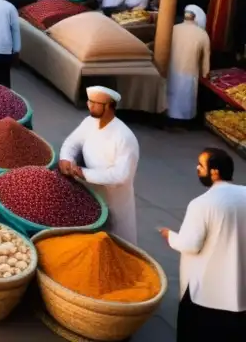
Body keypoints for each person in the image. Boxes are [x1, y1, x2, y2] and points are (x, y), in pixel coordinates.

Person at [159, 148, 246, 338]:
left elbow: (191, 244)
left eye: (201, 165)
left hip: (206, 296)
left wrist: (170, 236)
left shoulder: (202, 203)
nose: (197, 168)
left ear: (214, 172)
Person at [59, 86, 140, 244]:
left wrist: (84, 173)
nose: (90, 106)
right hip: (90, 193)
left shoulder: (124, 137)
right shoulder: (89, 122)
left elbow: (121, 176)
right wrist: (66, 158)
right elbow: (72, 143)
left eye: (95, 103)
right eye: (90, 102)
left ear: (109, 106)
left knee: (116, 241)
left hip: (114, 199)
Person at [165, 4, 211, 124]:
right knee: (185, 98)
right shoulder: (202, 34)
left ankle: (168, 118)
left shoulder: (173, 28)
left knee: (171, 95)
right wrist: (205, 73)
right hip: (189, 72)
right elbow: (206, 57)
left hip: (171, 69)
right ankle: (184, 122)